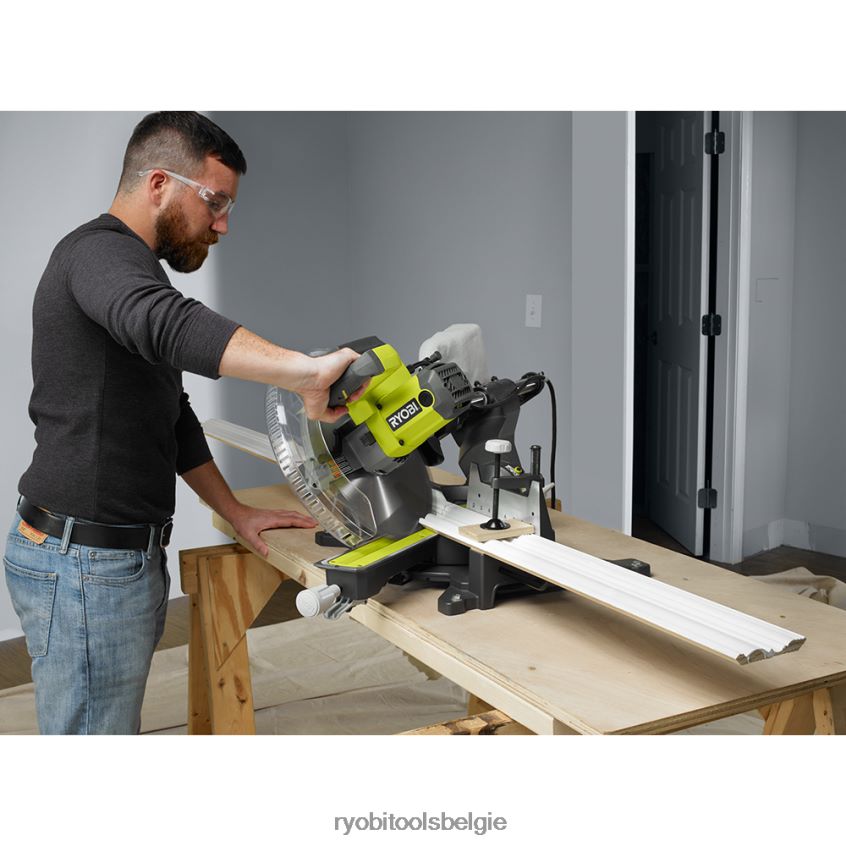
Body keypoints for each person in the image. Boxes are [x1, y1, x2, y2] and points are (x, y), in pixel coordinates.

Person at [4, 111, 361, 735]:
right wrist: (303, 373)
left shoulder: (135, 269)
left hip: (110, 556)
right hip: (85, 562)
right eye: (215, 201)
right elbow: (167, 322)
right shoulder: (97, 255)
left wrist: (235, 510)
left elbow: (170, 412)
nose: (223, 224)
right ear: (159, 184)